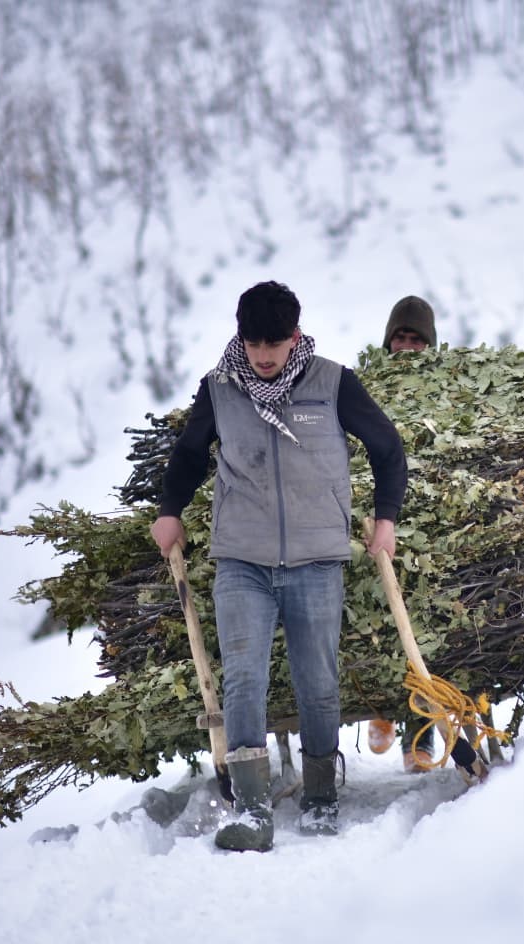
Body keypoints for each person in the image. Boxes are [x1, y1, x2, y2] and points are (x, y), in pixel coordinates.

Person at [151, 281, 406, 849]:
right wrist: (170, 511)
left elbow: (388, 448)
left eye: (275, 344)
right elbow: (190, 456)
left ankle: (320, 797)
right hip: (242, 558)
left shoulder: (333, 383)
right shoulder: (220, 389)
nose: (264, 357)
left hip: (317, 560)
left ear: (295, 336)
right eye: (253, 343)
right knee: (243, 680)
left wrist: (385, 519)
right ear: (239, 336)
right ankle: (251, 810)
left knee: (318, 684)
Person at [366, 296, 442, 773]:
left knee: (428, 622)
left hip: (432, 521)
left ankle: (420, 737)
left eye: (418, 339)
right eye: (401, 337)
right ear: (388, 341)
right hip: (378, 513)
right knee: (372, 614)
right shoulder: (366, 386)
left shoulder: (448, 386)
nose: (408, 347)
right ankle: (379, 710)